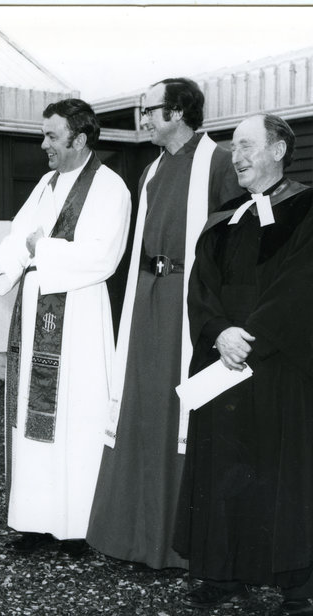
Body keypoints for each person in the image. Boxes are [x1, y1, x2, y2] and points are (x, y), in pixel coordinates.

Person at [173, 113, 313, 616]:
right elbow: (200, 287)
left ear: (279, 150)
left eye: (247, 145)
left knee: (282, 471)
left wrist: (251, 339)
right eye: (233, 147)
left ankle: (297, 589)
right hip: (222, 358)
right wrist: (219, 332)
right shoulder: (224, 216)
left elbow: (306, 284)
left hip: (279, 365)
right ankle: (224, 573)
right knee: (222, 467)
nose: (236, 155)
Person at [87, 78, 243, 570]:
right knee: (143, 408)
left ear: (177, 112)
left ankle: (177, 544)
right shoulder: (150, 170)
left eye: (149, 110)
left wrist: (220, 320)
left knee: (182, 414)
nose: (143, 120)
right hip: (148, 299)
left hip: (189, 302)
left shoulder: (218, 163)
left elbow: (233, 249)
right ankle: (135, 535)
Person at [0, 99, 131, 556]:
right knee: (35, 417)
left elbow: (103, 257)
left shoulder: (110, 189)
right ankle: (37, 520)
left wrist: (43, 249)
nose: (42, 144)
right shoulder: (46, 184)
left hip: (80, 319)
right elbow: (18, 240)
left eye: (51, 135)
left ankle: (79, 524)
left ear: (80, 139)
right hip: (37, 316)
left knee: (76, 418)